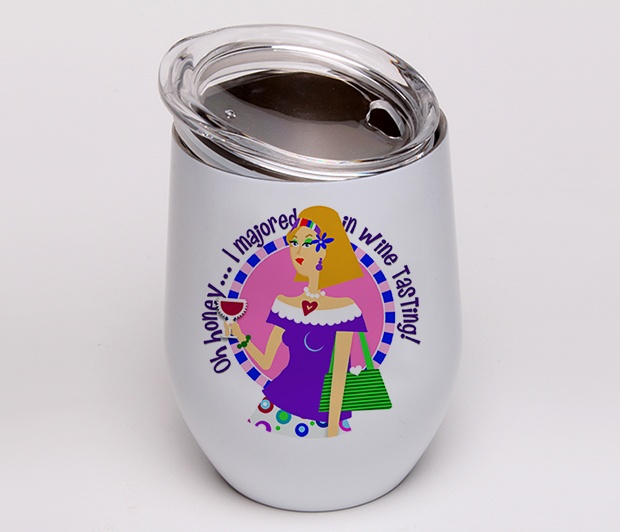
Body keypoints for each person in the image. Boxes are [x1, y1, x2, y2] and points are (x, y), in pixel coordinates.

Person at [228, 206, 366, 438]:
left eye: (308, 242)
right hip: (279, 406)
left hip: (325, 417)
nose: (298, 250)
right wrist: (239, 335)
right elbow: (267, 361)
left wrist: (332, 431)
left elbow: (340, 374)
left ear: (325, 250)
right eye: (294, 242)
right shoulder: (284, 304)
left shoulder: (345, 309)